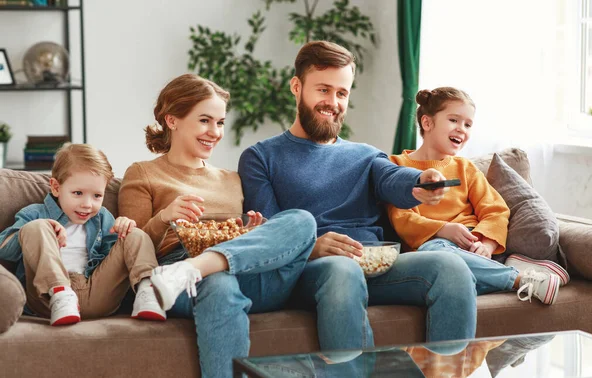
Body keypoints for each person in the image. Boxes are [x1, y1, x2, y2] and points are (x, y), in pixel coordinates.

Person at [238, 40, 478, 351]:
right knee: (342, 268)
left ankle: (446, 372)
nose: (333, 102)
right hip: (313, 272)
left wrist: (421, 180)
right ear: (296, 87)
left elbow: (393, 177)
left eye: (342, 93)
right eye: (323, 90)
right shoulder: (261, 157)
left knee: (451, 267)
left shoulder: (365, 155)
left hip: (376, 264)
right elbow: (267, 233)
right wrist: (311, 248)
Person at [118, 73, 316, 378]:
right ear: (172, 120)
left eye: (220, 122)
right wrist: (166, 216)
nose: (215, 132)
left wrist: (253, 231)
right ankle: (191, 270)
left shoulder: (230, 178)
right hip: (179, 279)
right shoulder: (143, 173)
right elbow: (132, 246)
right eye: (205, 121)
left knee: (301, 220)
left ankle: (197, 266)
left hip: (245, 271)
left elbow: (246, 243)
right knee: (219, 284)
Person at [387, 87, 570, 305]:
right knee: (438, 261)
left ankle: (513, 275)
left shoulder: (465, 168)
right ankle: (517, 275)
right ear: (427, 123)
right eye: (454, 120)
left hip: (473, 243)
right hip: (431, 249)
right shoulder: (397, 166)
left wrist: (487, 245)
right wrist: (444, 229)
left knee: (445, 269)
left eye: (468, 124)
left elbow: (496, 210)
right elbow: (402, 218)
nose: (461, 129)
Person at [0, 143, 165, 326]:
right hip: (46, 300)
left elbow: (116, 258)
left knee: (134, 234)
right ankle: (60, 292)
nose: (88, 204)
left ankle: (148, 292)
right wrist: (39, 229)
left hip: (96, 293)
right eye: (78, 193)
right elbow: (5, 250)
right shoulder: (35, 213)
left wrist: (123, 229)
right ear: (55, 187)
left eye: (96, 196)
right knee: (35, 227)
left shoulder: (102, 218)